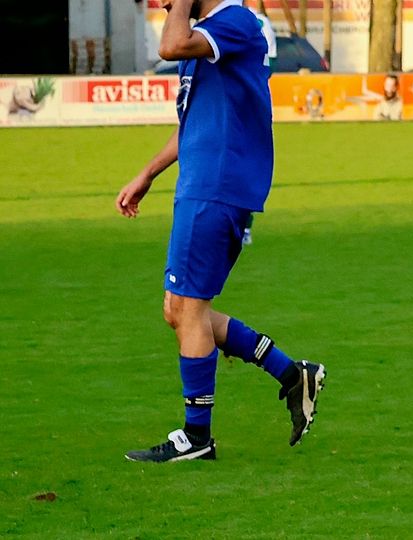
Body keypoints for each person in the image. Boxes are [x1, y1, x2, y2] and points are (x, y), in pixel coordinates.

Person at [115, 0, 325, 463]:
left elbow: (170, 44)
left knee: (188, 310)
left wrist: (181, 6)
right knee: (180, 310)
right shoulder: (210, 35)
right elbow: (192, 122)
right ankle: (292, 375)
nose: (163, 3)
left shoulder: (233, 23)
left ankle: (197, 437)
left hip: (216, 188)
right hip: (202, 185)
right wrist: (147, 173)